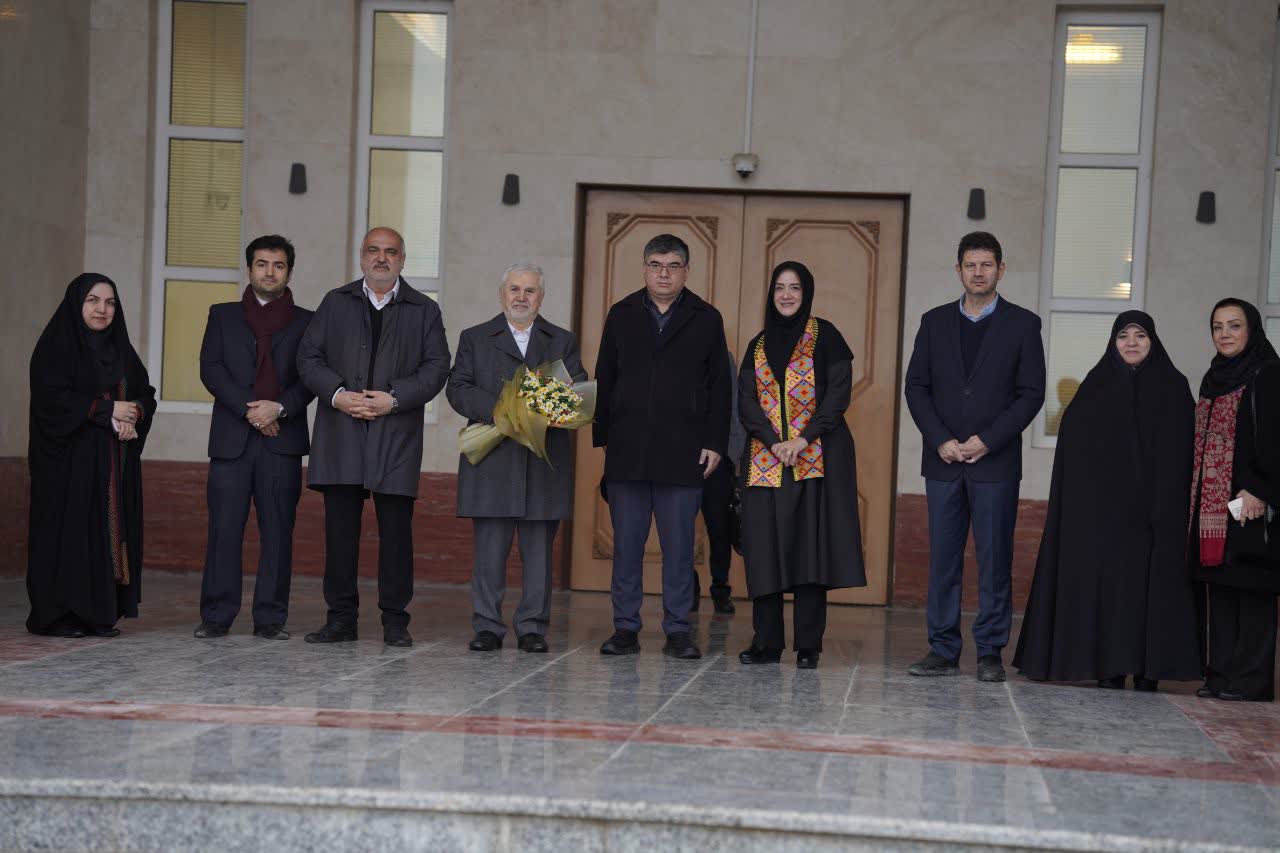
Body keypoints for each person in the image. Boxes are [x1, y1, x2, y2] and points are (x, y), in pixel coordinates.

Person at [1013, 311, 1200, 690]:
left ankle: (1149, 671)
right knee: (1110, 594)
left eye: (1140, 335)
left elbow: (1185, 453)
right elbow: (1074, 456)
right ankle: (1110, 667)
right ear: (1113, 343)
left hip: (1158, 517)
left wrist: (1163, 504)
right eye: (1123, 336)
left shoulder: (1174, 386)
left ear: (1153, 341)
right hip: (1107, 521)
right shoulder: (1095, 386)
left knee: (1150, 593)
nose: (1131, 343)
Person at [297, 227, 451, 647]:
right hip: (341, 432)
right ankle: (340, 620)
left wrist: (394, 399)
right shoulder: (335, 302)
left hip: (396, 435)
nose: (381, 258)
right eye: (373, 250)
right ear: (361, 256)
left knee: (396, 536)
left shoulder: (424, 310)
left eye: (390, 252)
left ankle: (395, 622)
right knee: (340, 535)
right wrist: (338, 395)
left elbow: (437, 367)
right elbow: (308, 357)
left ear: (403, 259)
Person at [904, 231, 1045, 682]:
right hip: (943, 461)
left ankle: (989, 652)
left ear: (1000, 269)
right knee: (943, 560)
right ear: (959, 270)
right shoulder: (934, 322)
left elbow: (1031, 394)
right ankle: (943, 649)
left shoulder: (1023, 324)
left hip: (995, 463)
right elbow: (916, 387)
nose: (978, 272)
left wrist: (988, 440)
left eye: (986, 265)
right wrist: (940, 439)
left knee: (994, 559)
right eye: (970, 265)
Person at [593, 234, 732, 659]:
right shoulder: (621, 314)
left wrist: (715, 443)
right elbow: (605, 377)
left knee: (679, 550)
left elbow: (720, 387)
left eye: (673, 266)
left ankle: (678, 631)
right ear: (645, 269)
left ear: (686, 271)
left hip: (684, 451)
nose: (664, 274)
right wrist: (606, 439)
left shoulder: (706, 318)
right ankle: (625, 629)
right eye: (656, 265)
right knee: (627, 548)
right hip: (628, 451)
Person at [446, 262, 587, 653]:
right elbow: (458, 388)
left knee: (539, 554)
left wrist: (532, 410)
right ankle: (487, 627)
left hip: (544, 462)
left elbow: (576, 392)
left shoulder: (562, 340)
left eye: (529, 290)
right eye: (514, 289)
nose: (521, 297)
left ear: (541, 297)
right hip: (492, 460)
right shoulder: (475, 337)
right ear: (501, 294)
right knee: (489, 553)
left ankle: (532, 628)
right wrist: (502, 411)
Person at [736, 261, 866, 669]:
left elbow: (838, 395)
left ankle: (808, 645)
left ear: (806, 293)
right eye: (780, 287)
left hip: (816, 459)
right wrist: (774, 442)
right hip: (766, 460)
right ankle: (766, 642)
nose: (787, 295)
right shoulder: (757, 345)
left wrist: (803, 438)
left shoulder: (825, 336)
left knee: (811, 552)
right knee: (764, 551)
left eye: (794, 287)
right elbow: (746, 402)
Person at [194, 235, 315, 640]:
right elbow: (211, 369)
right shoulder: (222, 316)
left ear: (289, 272)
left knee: (277, 534)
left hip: (282, 442)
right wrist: (252, 410)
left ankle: (270, 619)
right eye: (262, 264)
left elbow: (311, 378)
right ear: (249, 269)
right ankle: (216, 616)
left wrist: (278, 408)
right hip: (232, 440)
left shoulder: (308, 322)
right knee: (223, 532)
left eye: (278, 265)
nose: (269, 272)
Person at [26, 274, 157, 638]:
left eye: (110, 302)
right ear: (77, 304)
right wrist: (107, 411)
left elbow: (144, 392)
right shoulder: (55, 348)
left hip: (113, 465)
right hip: (69, 468)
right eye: (93, 301)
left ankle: (98, 614)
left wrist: (133, 414)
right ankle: (57, 615)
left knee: (104, 534)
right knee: (69, 535)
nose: (102, 309)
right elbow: (52, 401)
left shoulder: (121, 351)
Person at [1190, 298, 1279, 702]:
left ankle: (1251, 682)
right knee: (1222, 587)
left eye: (1234, 325)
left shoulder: (1269, 373)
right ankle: (1221, 676)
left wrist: (1261, 488)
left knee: (1253, 589)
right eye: (1217, 326)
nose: (1224, 334)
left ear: (1252, 329)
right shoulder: (1214, 377)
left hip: (1253, 500)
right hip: (1216, 504)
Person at [691, 347, 745, 616]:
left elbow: (734, 405)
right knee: (678, 527)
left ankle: (721, 588)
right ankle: (687, 588)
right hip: (679, 456)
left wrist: (734, 455)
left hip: (719, 456)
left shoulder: (723, 356)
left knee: (720, 527)